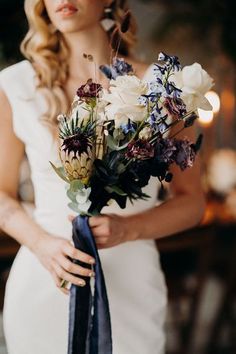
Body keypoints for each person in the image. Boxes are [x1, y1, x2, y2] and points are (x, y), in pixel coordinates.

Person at [0, 1, 205, 353]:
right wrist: (41, 245)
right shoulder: (14, 85)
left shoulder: (166, 90)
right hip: (45, 282)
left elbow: (193, 202)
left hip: (132, 289)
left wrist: (129, 228)